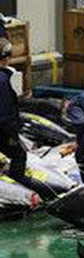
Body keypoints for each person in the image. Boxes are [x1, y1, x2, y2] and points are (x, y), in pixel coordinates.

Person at [0, 38, 25, 181]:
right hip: (3, 129)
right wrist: (13, 133)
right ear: (6, 58)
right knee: (19, 155)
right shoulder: (3, 80)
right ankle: (17, 191)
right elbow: (5, 112)